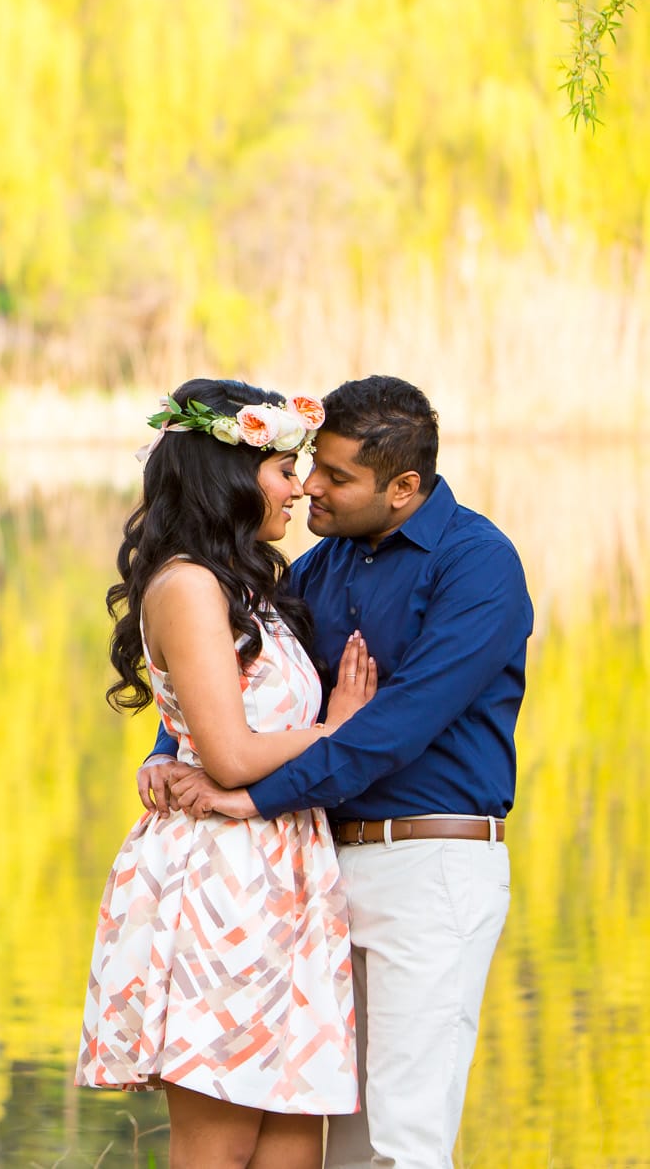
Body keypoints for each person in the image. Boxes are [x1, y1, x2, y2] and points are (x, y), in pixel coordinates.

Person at [142, 375, 532, 1169]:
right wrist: (169, 747)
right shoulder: (319, 569)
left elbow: (395, 726)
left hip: (428, 867)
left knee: (396, 1143)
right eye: (309, 465)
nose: (311, 484)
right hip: (312, 877)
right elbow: (241, 678)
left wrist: (251, 795)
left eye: (337, 476)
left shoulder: (478, 567)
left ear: (404, 487)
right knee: (326, 1123)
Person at [77, 377, 368, 1169]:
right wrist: (334, 731)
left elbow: (206, 742)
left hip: (291, 875)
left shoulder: (255, 590)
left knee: (291, 1149)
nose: (299, 487)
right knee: (223, 1147)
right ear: (230, 478)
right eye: (282, 470)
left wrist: (169, 753)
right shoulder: (188, 587)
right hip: (224, 884)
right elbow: (234, 752)